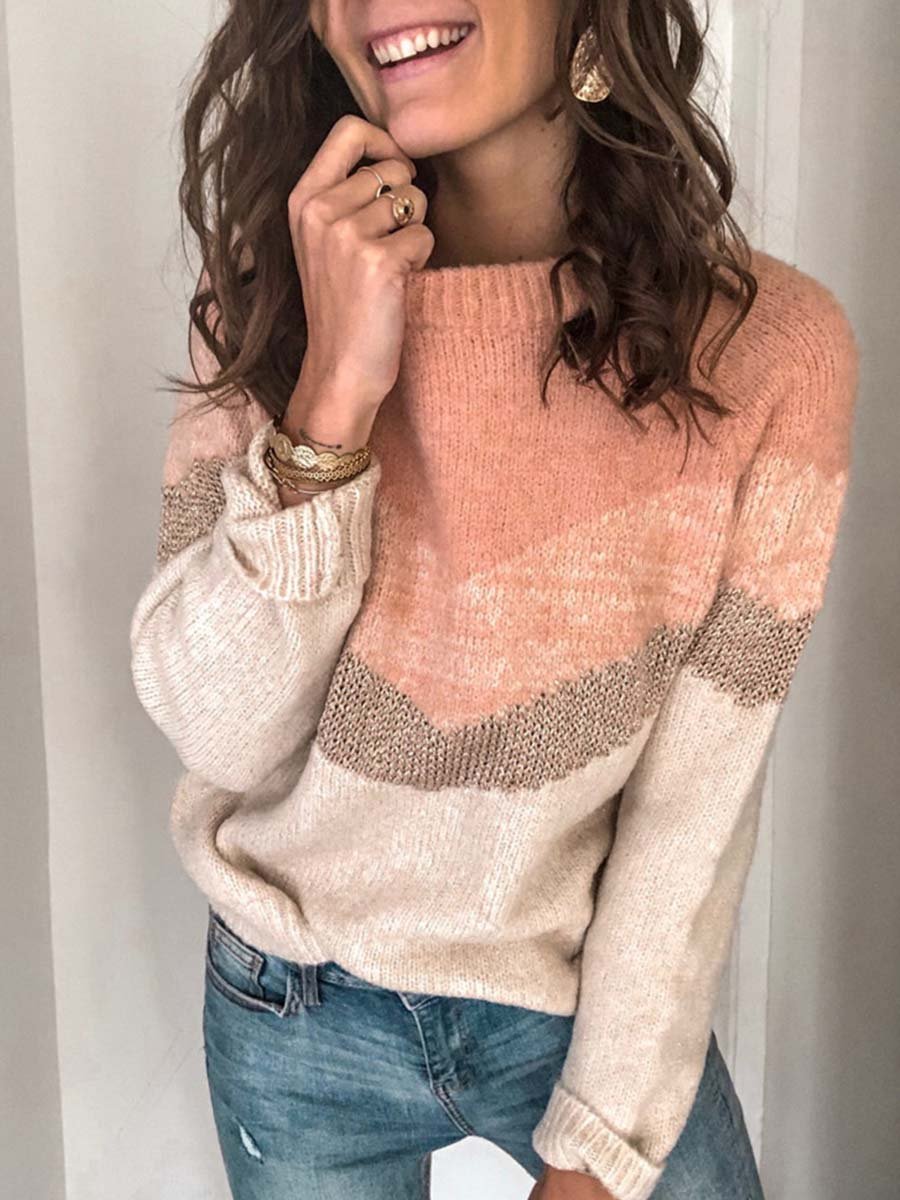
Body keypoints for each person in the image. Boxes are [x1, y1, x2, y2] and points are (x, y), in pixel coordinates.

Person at [129, 2, 859, 1198]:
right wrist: (329, 407)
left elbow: (693, 814)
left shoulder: (769, 353)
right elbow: (220, 733)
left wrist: (603, 1145)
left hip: (570, 1001)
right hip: (293, 1006)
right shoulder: (273, 295)